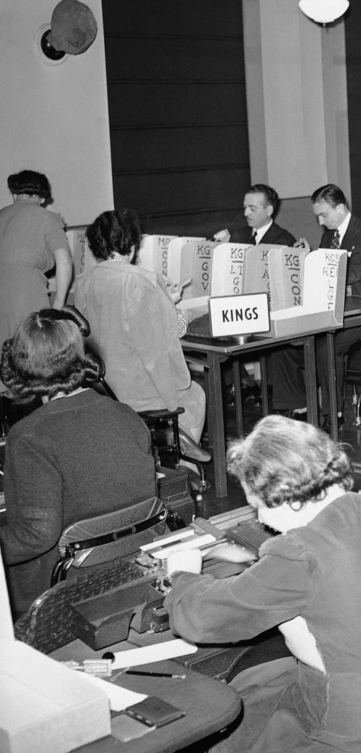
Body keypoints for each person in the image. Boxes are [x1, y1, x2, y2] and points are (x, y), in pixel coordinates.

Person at [164, 415, 361, 753]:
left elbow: (204, 618)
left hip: (344, 725)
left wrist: (183, 577)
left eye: (256, 508)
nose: (258, 520)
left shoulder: (298, 555)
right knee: (250, 686)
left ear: (286, 497)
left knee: (213, 747)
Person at [0, 308, 155, 618]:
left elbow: (36, 535)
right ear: (79, 356)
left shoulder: (29, 436)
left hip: (61, 587)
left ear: (23, 366)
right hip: (132, 570)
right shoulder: (126, 414)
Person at [76, 208, 210, 462]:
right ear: (132, 244)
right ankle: (183, 463)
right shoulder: (142, 281)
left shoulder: (85, 281)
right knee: (195, 394)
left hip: (101, 386)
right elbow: (167, 340)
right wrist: (170, 304)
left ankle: (170, 444)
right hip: (137, 389)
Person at [270, 184, 361, 419]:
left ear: (340, 208)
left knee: (325, 346)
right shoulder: (329, 234)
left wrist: (317, 262)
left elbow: (354, 272)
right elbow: (324, 268)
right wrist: (307, 256)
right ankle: (299, 406)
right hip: (330, 308)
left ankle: (334, 414)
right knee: (282, 343)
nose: (320, 222)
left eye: (323, 214)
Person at [0, 171, 72, 354]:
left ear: (16, 194)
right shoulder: (47, 217)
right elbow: (63, 261)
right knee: (33, 352)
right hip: (25, 291)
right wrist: (59, 304)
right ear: (41, 198)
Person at [212, 183, 297, 246]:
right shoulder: (237, 237)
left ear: (269, 210)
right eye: (245, 208)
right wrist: (222, 247)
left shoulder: (284, 241)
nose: (246, 213)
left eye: (252, 209)